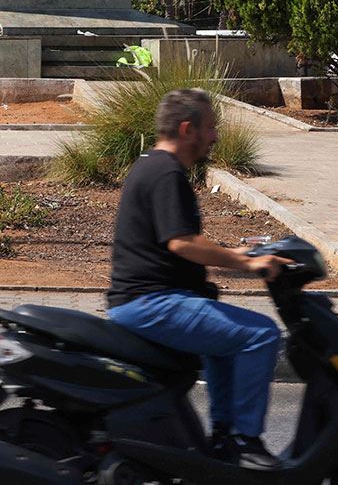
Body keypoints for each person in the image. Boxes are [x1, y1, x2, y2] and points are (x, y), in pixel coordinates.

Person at [105, 89, 288, 470]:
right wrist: (246, 263)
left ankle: (223, 434)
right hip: (151, 303)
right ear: (187, 129)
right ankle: (243, 439)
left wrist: (238, 255)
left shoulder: (151, 165)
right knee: (261, 335)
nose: (215, 136)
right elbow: (182, 242)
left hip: (148, 300)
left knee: (225, 341)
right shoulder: (167, 172)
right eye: (210, 128)